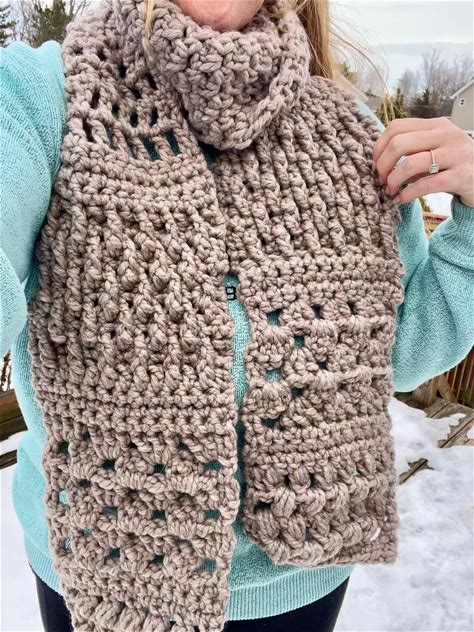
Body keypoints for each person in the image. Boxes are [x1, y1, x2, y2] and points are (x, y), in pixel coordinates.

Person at [1, 0, 473, 631]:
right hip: (102, 572)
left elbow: (403, 352)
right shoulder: (39, 100)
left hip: (299, 582)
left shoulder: (350, 130)